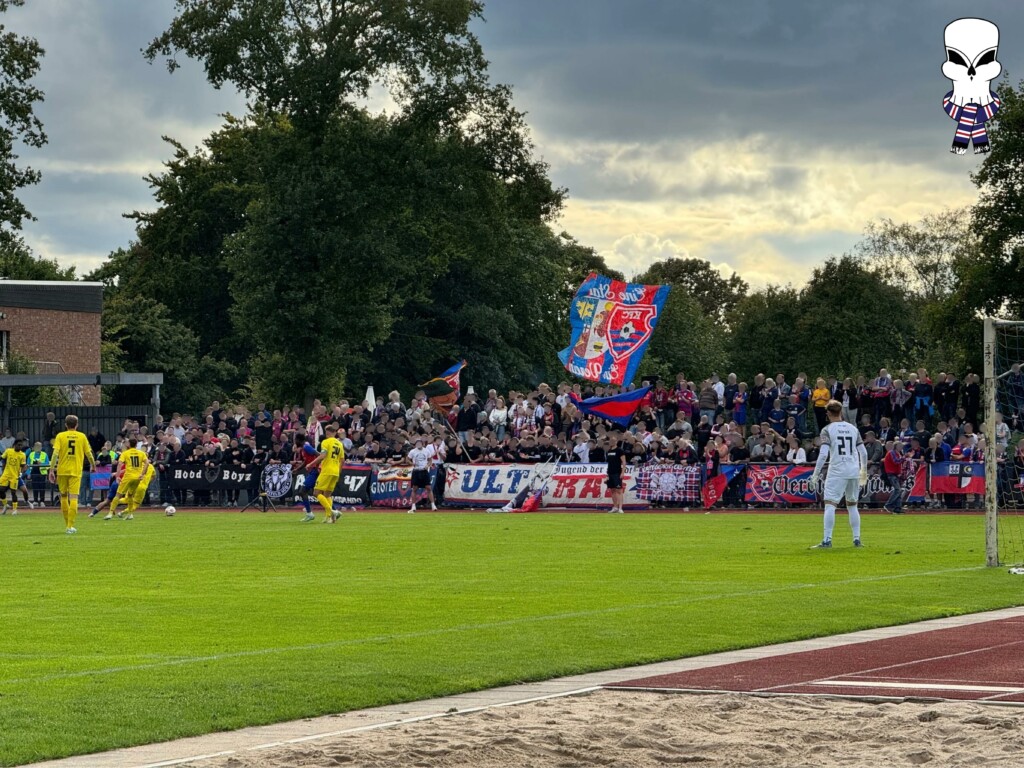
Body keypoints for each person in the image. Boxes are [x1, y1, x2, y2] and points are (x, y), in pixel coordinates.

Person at [809, 400, 868, 549]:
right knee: (852, 505)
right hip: (853, 470)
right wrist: (863, 471)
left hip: (837, 470)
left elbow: (823, 454)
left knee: (830, 504)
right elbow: (863, 452)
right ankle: (856, 539)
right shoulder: (853, 429)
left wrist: (815, 474)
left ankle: (827, 539)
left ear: (828, 413)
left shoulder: (827, 430)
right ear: (841, 412)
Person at [48, 415, 96, 534]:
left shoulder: (60, 436)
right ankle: (70, 526)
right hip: (75, 471)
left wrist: (51, 470)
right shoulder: (82, 436)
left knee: (64, 496)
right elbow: (89, 453)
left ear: (66, 425)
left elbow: (55, 454)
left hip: (62, 470)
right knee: (74, 497)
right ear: (77, 424)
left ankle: (67, 525)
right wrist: (93, 465)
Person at [307, 424, 344, 523]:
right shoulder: (339, 444)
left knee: (316, 493)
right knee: (327, 494)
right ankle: (329, 517)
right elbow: (342, 460)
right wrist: (339, 472)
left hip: (327, 470)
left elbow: (322, 455)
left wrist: (311, 464)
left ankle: (332, 511)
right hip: (335, 471)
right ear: (334, 433)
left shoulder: (325, 442)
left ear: (326, 433)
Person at [109, 438, 150, 521]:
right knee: (130, 495)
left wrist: (117, 476)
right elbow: (147, 463)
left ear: (129, 444)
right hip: (137, 478)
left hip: (128, 477)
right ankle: (130, 514)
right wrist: (142, 474)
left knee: (118, 494)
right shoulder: (141, 453)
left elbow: (120, 464)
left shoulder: (125, 453)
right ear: (136, 445)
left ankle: (110, 513)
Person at [291, 433, 319, 522]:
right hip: (312, 471)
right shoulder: (303, 449)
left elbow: (318, 455)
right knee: (319, 492)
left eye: (295, 440)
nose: (295, 442)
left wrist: (317, 466)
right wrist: (297, 469)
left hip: (315, 471)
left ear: (298, 440)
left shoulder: (306, 447)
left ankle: (309, 513)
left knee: (302, 491)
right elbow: (305, 461)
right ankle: (333, 511)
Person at [0, 438, 29, 515]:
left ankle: (15, 509)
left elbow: (23, 465)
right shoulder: (8, 451)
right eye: (18, 445)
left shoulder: (22, 455)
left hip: (14, 476)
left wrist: (21, 472)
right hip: (6, 474)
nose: (20, 447)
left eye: (21, 445)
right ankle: (5, 505)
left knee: (13, 492)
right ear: (14, 445)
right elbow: (2, 458)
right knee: (1, 490)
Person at [407, 438, 434, 513]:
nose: (418, 444)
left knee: (428, 487)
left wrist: (428, 465)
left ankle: (433, 505)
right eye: (417, 443)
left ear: (422, 444)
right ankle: (413, 506)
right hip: (416, 471)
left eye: (419, 443)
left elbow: (430, 459)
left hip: (424, 471)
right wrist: (412, 463)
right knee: (414, 488)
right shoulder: (412, 451)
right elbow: (407, 459)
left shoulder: (426, 451)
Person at [881, 441, 907, 515]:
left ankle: (897, 508)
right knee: (897, 490)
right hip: (891, 474)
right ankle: (888, 504)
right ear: (896, 446)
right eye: (899, 446)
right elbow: (896, 461)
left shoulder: (898, 453)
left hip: (896, 474)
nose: (901, 447)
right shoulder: (892, 453)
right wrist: (904, 458)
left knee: (898, 490)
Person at [605, 435, 627, 513]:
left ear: (616, 442)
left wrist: (622, 472)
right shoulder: (609, 451)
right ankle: (615, 507)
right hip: (610, 473)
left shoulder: (620, 450)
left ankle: (620, 508)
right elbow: (609, 463)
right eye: (611, 441)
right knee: (612, 490)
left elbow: (624, 462)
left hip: (617, 473)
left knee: (619, 490)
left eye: (613, 441)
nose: (612, 442)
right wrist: (607, 474)